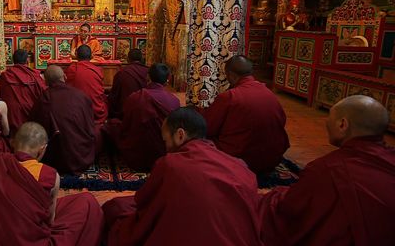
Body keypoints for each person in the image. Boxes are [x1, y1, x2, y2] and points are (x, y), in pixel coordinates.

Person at [103, 107, 263, 246]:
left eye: (165, 141)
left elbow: (145, 205)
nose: (165, 147)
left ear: (180, 135)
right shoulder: (240, 166)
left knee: (116, 208)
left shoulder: (170, 164)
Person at [258, 95, 395, 246]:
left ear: (343, 124)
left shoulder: (328, 170)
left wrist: (271, 196)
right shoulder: (389, 159)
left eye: (330, 117)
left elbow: (291, 208)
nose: (326, 122)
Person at [0, 122, 103, 245]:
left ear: (12, 142)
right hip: (24, 241)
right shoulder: (49, 175)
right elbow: (50, 221)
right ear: (42, 149)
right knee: (87, 202)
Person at [200, 55, 289, 173]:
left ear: (231, 75)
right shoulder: (269, 93)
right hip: (272, 159)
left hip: (240, 160)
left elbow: (207, 128)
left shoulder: (230, 97)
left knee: (197, 140)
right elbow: (281, 122)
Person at [110, 63, 180, 171]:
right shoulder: (174, 101)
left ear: (148, 77)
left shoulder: (136, 97)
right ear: (167, 80)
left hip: (136, 158)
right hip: (162, 155)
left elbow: (126, 126)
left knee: (112, 124)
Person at [30, 65, 95, 174]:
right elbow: (90, 125)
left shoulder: (42, 99)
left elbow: (34, 126)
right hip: (81, 155)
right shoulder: (81, 95)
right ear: (65, 77)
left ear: (45, 82)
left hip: (55, 158)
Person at [65, 45, 107, 148]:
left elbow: (67, 89)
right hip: (95, 109)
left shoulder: (72, 69)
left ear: (76, 56)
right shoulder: (97, 69)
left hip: (77, 110)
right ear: (91, 56)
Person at [0, 49, 46, 137]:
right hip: (31, 111)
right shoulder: (35, 75)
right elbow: (44, 94)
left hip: (12, 114)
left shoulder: (5, 76)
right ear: (27, 60)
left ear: (13, 60)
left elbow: (1, 96)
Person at [108, 48, 148, 119]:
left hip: (125, 112)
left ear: (128, 59)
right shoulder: (148, 72)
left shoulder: (121, 73)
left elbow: (114, 96)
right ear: (142, 59)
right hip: (145, 113)